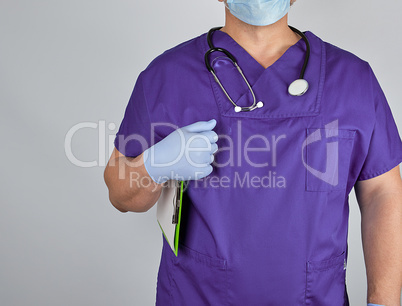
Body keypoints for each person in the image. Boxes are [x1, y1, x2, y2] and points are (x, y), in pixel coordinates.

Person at [104, 0, 402, 305]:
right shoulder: (168, 77)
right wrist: (153, 166)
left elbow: (382, 192)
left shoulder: (352, 79)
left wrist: (384, 301)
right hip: (196, 295)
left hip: (315, 297)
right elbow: (120, 192)